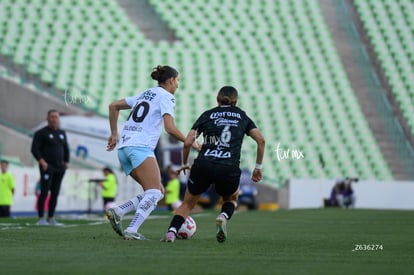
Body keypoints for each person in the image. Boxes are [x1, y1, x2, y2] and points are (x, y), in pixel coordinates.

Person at [161, 86, 265, 243]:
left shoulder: (208, 114)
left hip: (204, 164)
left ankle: (171, 232)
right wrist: (258, 167)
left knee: (188, 203)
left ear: (217, 99)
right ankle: (222, 217)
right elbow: (261, 140)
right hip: (228, 166)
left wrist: (184, 163)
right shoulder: (242, 116)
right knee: (231, 199)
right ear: (235, 102)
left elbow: (188, 141)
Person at [106, 65, 198, 240]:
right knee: (155, 193)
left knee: (156, 190)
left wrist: (114, 134)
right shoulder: (167, 97)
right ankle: (132, 230)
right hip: (140, 147)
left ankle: (119, 211)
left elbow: (113, 106)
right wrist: (189, 141)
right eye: (177, 80)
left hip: (124, 148)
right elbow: (169, 128)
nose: (177, 85)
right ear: (170, 80)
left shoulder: (146, 93)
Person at [31, 109, 69, 225]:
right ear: (47, 118)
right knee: (44, 192)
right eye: (52, 117)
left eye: (56, 117)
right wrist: (42, 161)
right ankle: (41, 218)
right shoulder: (41, 133)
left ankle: (51, 217)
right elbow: (34, 149)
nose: (54, 119)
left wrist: (66, 162)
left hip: (60, 168)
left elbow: (66, 148)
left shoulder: (62, 133)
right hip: (47, 167)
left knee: (55, 192)